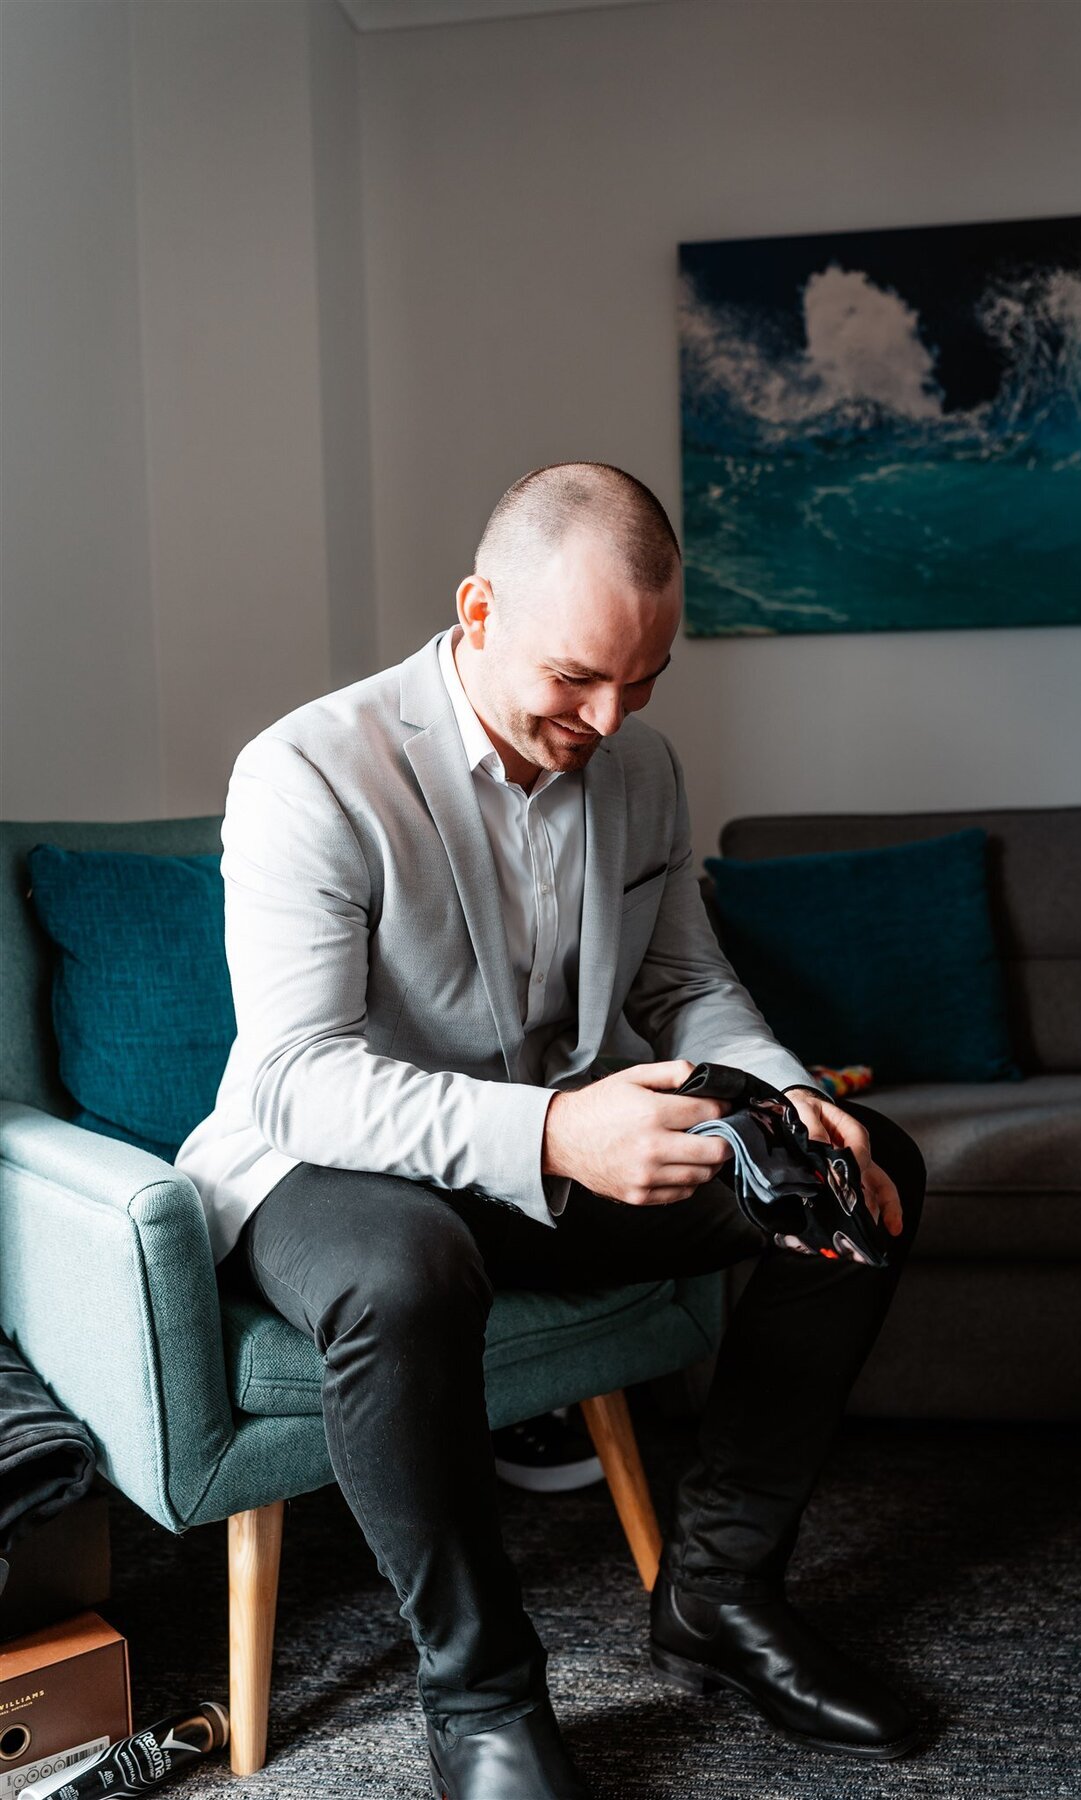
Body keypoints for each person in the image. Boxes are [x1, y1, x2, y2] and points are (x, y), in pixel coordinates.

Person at [176, 461, 927, 1799]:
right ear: (477, 611)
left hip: (565, 1146)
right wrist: (555, 1136)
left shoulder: (640, 764)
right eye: (580, 677)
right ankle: (480, 1699)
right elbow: (296, 1075)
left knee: (861, 1175)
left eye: (643, 681)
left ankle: (721, 1597)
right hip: (332, 1170)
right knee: (408, 1271)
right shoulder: (310, 769)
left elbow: (682, 984)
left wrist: (779, 1085)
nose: (608, 716)